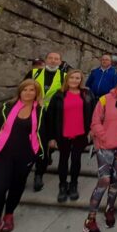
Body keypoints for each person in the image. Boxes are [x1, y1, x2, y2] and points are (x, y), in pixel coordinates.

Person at [0, 79, 46, 232]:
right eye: (25, 89)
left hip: (25, 155)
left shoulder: (40, 111)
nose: (28, 92)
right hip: (1, 154)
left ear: (36, 93)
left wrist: (37, 154)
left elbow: (42, 134)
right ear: (20, 91)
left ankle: (9, 215)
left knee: (16, 187)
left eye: (32, 90)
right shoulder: (6, 107)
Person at [83, 74, 117, 232]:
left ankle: (110, 209)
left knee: (116, 179)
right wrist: (104, 136)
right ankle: (90, 218)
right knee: (104, 180)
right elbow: (95, 121)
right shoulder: (105, 99)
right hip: (105, 146)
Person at [47, 69, 95, 203]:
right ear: (67, 79)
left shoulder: (87, 94)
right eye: (72, 78)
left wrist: (92, 130)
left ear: (81, 80)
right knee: (63, 159)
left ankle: (73, 184)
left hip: (81, 133)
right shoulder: (58, 95)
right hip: (63, 133)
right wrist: (51, 137)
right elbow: (50, 117)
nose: (75, 80)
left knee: (76, 159)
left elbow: (94, 112)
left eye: (77, 78)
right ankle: (62, 185)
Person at [25, 51, 65, 192]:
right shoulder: (34, 73)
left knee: (45, 143)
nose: (53, 61)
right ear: (46, 60)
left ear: (60, 62)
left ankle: (39, 174)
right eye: (51, 58)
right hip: (34, 111)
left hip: (53, 115)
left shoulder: (64, 77)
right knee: (31, 142)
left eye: (56, 59)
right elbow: (23, 89)